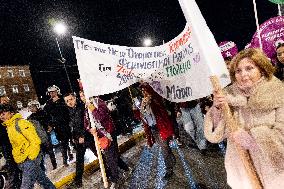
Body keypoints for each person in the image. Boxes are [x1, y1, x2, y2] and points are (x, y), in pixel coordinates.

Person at [204, 48, 284, 189]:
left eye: (249, 68)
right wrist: (216, 108)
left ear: (261, 69)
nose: (243, 75)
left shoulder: (278, 92)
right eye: (238, 71)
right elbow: (215, 136)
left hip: (275, 172)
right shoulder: (229, 96)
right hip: (242, 172)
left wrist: (252, 139)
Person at [0, 104, 55, 189]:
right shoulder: (9, 127)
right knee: (43, 181)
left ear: (11, 113)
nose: (1, 116)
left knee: (26, 186)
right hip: (22, 161)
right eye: (0, 114)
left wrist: (31, 158)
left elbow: (35, 141)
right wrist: (18, 159)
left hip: (29, 160)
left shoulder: (21, 123)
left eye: (3, 114)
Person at [87, 94, 129, 189]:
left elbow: (102, 117)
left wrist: (93, 109)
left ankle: (115, 180)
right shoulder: (86, 107)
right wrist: (90, 129)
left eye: (83, 95)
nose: (83, 97)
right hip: (99, 136)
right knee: (113, 156)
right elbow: (86, 123)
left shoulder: (99, 102)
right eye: (81, 96)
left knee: (110, 157)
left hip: (108, 133)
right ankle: (125, 168)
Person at [135, 83, 176, 179]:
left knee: (164, 149)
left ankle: (169, 169)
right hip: (153, 129)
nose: (144, 92)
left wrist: (152, 101)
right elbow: (141, 118)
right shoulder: (143, 102)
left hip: (161, 127)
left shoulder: (156, 99)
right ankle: (172, 160)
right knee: (164, 147)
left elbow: (162, 111)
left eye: (145, 90)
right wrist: (136, 110)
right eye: (142, 91)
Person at [64, 92, 98, 188]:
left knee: (99, 154)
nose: (69, 102)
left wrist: (83, 135)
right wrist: (75, 138)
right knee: (79, 160)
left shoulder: (82, 106)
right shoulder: (68, 111)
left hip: (87, 137)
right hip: (78, 140)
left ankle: (111, 170)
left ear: (75, 98)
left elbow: (86, 122)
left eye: (71, 99)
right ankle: (78, 181)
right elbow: (72, 127)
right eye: (67, 101)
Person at [43, 85, 73, 166]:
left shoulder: (63, 100)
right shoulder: (48, 104)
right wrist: (50, 125)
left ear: (57, 91)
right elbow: (46, 115)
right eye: (50, 92)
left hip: (67, 123)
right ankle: (65, 160)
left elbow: (69, 110)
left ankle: (70, 153)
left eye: (53, 92)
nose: (52, 93)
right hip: (58, 126)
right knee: (63, 143)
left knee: (72, 140)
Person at [27, 100, 57, 170]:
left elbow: (50, 120)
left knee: (50, 152)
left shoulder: (43, 113)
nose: (31, 108)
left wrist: (50, 126)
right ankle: (43, 169)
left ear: (37, 106)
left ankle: (54, 165)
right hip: (37, 138)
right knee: (41, 154)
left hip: (46, 135)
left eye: (33, 107)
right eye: (30, 107)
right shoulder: (29, 118)